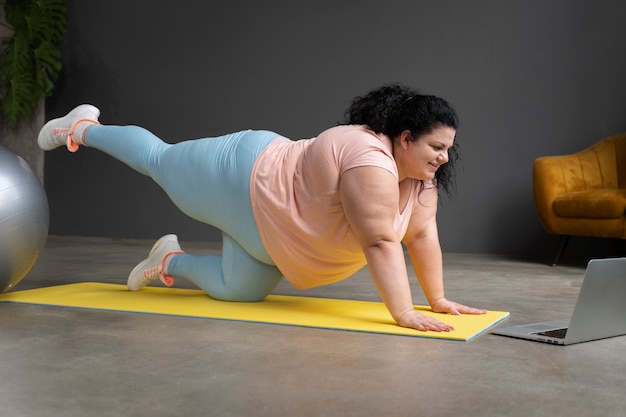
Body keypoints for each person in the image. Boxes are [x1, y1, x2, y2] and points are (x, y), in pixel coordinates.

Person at [38, 84, 486, 332]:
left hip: (272, 238)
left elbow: (422, 236)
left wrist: (438, 299)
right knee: (159, 160)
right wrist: (404, 312)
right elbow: (380, 240)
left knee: (240, 290)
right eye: (436, 146)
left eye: (448, 148)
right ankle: (81, 126)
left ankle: (168, 260)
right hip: (240, 177)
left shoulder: (420, 183)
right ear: (405, 138)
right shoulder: (369, 157)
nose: (444, 157)